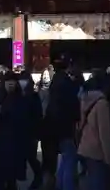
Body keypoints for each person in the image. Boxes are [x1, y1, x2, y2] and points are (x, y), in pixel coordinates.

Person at [0, 71, 28, 190]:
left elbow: (26, 118)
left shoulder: (21, 98)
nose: (10, 84)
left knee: (12, 178)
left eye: (13, 81)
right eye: (8, 81)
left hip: (15, 141)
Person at [45, 55, 81, 190]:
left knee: (65, 160)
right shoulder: (68, 84)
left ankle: (60, 184)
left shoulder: (56, 82)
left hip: (53, 125)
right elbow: (72, 106)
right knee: (70, 160)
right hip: (65, 126)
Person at [77, 72, 110, 190]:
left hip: (85, 146)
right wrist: (109, 157)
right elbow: (104, 133)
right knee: (99, 182)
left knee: (92, 180)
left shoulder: (84, 100)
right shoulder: (102, 104)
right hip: (96, 150)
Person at [19, 70, 44, 190]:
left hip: (31, 132)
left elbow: (38, 115)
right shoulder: (17, 96)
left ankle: (39, 176)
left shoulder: (33, 96)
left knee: (31, 156)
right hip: (23, 131)